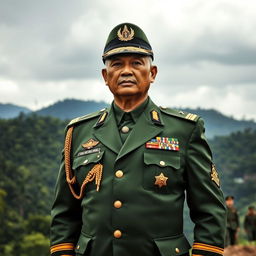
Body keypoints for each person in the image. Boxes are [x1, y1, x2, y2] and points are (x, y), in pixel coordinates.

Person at [50, 22, 226, 256]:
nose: (126, 71)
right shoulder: (79, 132)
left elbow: (210, 211)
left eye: (136, 63)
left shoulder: (184, 130)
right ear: (105, 75)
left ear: (152, 73)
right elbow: (64, 213)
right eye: (117, 64)